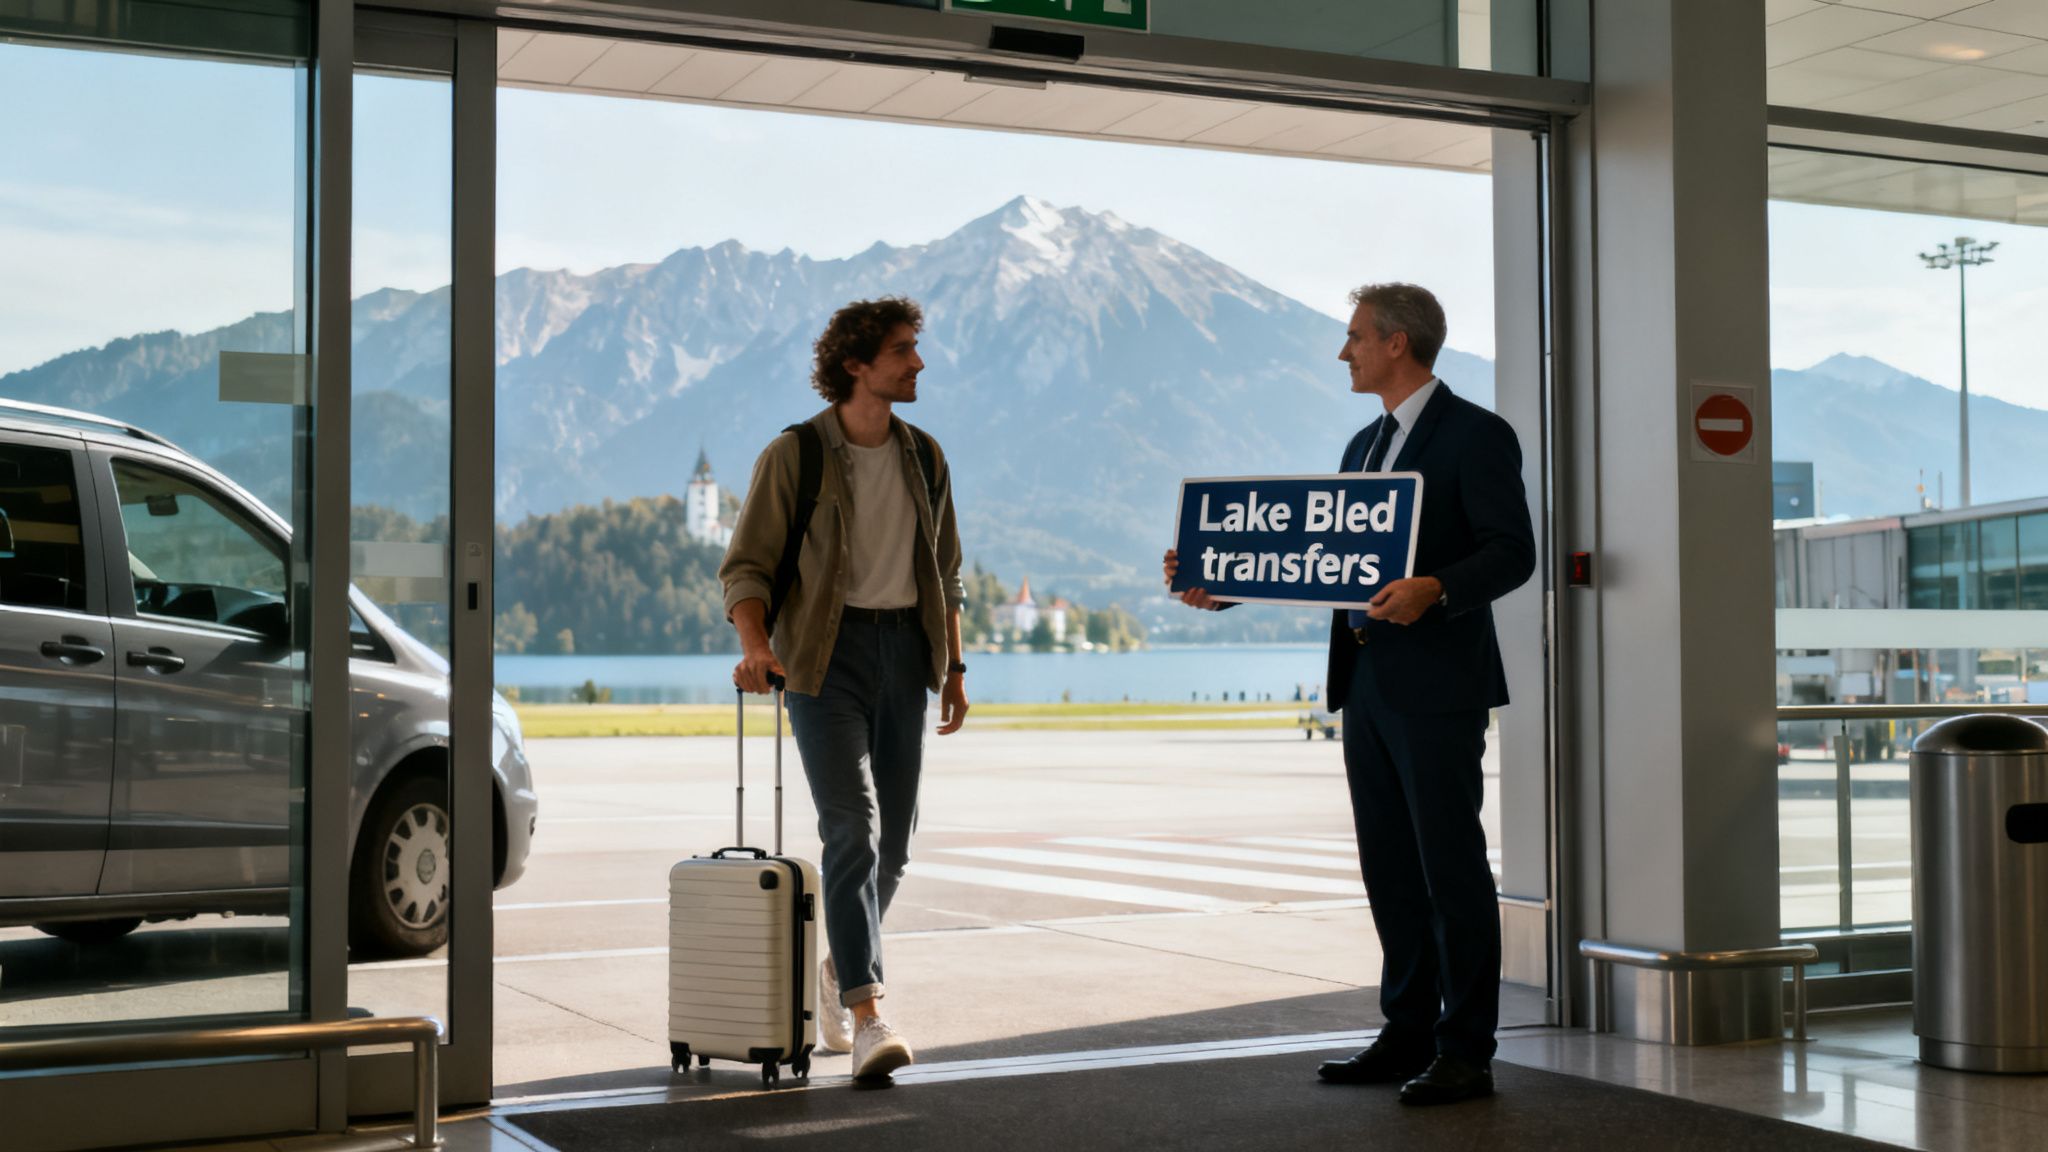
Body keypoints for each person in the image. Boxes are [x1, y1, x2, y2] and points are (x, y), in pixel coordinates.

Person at [1164, 282, 1534, 1105]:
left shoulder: (1476, 435)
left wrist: (1435, 586)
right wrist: (1222, 582)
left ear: (1398, 342)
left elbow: (1514, 552)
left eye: (1355, 337)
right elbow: (1324, 562)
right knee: (1391, 872)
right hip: (1365, 684)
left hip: (1438, 688)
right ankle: (1406, 1033)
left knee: (1451, 873)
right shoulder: (1361, 447)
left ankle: (1466, 1050)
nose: (1344, 352)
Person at [721, 296, 970, 1083]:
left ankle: (834, 973)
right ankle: (868, 1015)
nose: (919, 363)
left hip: (908, 654)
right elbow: (746, 568)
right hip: (822, 661)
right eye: (903, 351)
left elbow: (949, 573)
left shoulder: (926, 457)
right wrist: (757, 647)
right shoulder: (796, 454)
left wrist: (954, 667)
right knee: (850, 825)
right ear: (857, 365)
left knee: (894, 839)